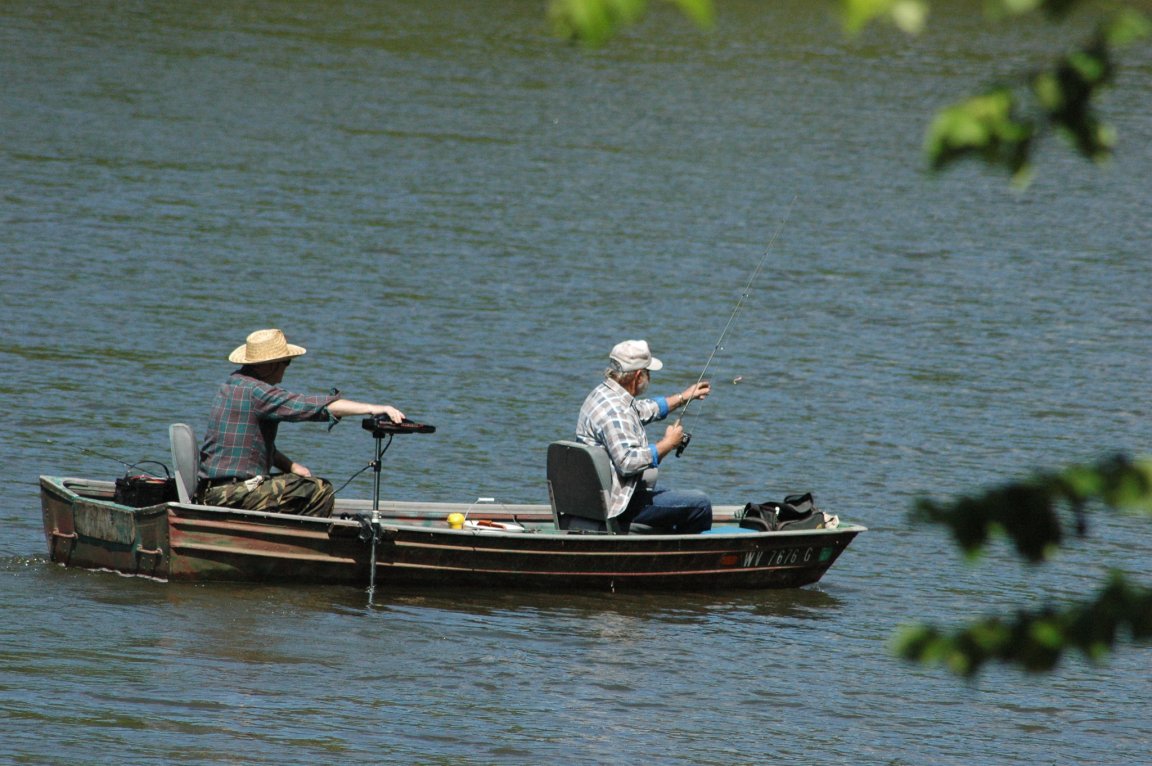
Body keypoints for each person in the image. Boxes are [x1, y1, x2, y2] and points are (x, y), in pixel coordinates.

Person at [198, 328, 405, 517]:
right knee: (319, 490)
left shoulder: (231, 384)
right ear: (270, 365)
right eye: (286, 362)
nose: (287, 369)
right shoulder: (257, 392)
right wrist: (374, 408)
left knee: (300, 482)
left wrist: (292, 466)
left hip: (213, 490)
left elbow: (251, 445)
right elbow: (304, 406)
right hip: (231, 494)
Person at [576, 339, 712, 533]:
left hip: (598, 496)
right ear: (638, 376)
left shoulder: (602, 394)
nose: (649, 377)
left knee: (672, 496)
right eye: (648, 373)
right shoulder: (616, 412)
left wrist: (684, 397)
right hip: (617, 505)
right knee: (700, 504)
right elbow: (628, 463)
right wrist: (668, 443)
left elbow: (640, 410)